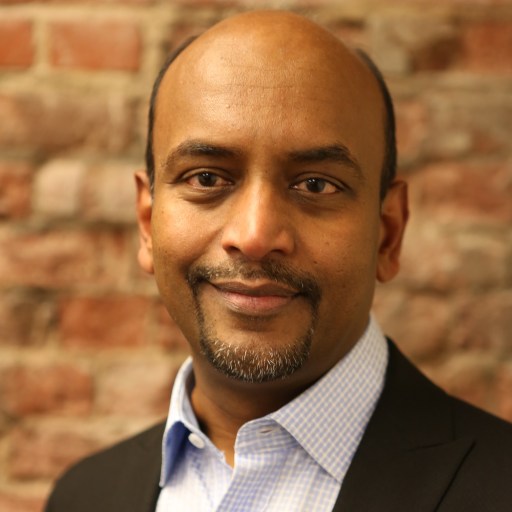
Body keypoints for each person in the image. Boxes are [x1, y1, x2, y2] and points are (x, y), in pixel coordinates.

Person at [45, 10, 512, 512]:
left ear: (388, 234)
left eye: (315, 184)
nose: (255, 236)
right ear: (147, 222)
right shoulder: (83, 496)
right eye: (206, 178)